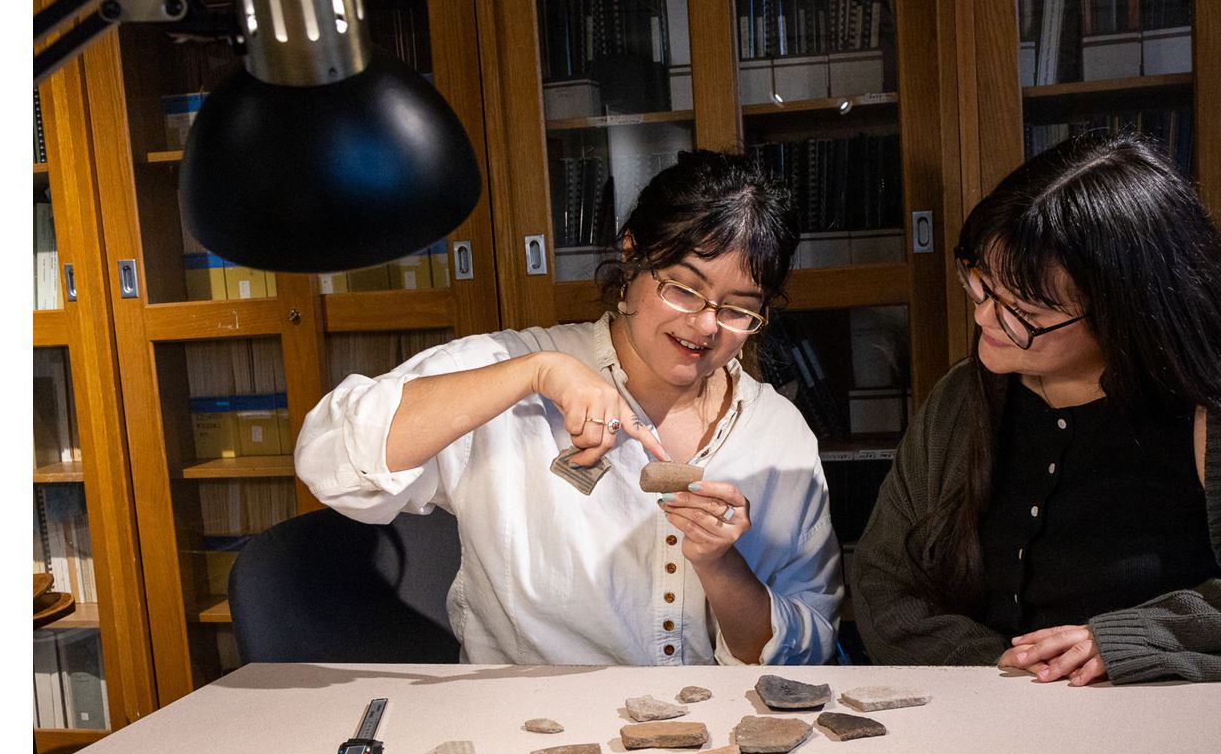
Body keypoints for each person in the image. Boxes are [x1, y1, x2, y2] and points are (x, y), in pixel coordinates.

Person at [846, 132, 1221, 684]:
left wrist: (1144, 640)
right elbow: (883, 585)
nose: (985, 317)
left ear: (1126, 311)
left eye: (1025, 314)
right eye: (980, 284)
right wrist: (997, 672)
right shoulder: (964, 401)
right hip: (991, 739)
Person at [296, 150, 842, 666]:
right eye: (682, 288)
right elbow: (333, 463)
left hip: (712, 733)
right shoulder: (518, 366)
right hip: (531, 733)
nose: (703, 325)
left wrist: (721, 567)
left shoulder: (776, 434)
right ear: (632, 256)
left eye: (737, 309)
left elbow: (812, 653)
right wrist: (534, 373)